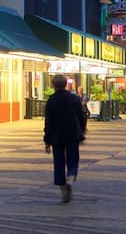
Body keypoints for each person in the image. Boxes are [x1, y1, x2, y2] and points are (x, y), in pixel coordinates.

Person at [44, 74, 87, 203]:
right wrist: (82, 131)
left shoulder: (51, 100)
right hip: (72, 134)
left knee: (58, 163)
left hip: (57, 137)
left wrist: (47, 140)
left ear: (53, 85)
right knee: (73, 159)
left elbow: (48, 122)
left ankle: (63, 191)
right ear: (66, 84)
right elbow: (81, 116)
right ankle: (70, 178)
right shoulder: (74, 99)